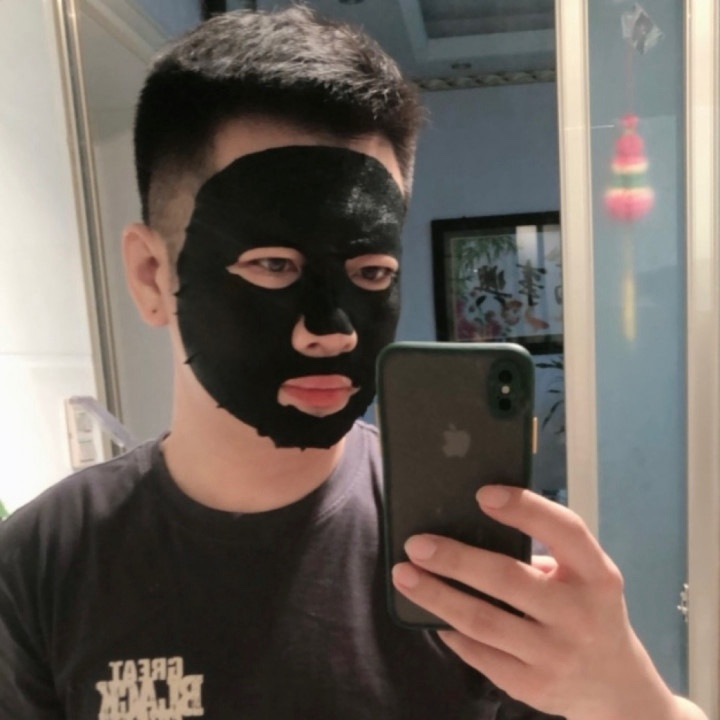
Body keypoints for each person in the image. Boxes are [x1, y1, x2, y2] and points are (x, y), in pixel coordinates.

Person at [0, 7, 707, 720]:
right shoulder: (43, 563)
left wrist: (632, 698)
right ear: (152, 275)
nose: (331, 333)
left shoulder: (459, 551)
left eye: (371, 273)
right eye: (273, 265)